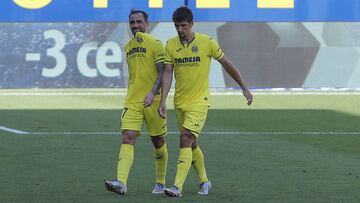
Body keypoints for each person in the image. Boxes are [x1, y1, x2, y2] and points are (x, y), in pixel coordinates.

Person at [158, 6, 253, 197]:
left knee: (185, 138)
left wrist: (244, 87)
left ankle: (177, 186)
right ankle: (205, 181)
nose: (180, 30)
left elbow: (227, 64)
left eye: (183, 26)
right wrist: (163, 101)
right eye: (176, 26)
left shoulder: (207, 42)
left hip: (200, 102)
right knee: (191, 144)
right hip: (180, 103)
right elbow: (168, 73)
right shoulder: (170, 45)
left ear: (192, 24)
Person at [105, 9, 168, 195]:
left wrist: (152, 93)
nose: (135, 25)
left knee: (158, 141)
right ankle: (121, 182)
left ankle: (160, 182)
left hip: (153, 101)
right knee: (128, 137)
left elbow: (162, 72)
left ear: (146, 24)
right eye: (132, 22)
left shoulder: (156, 43)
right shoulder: (127, 47)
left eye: (139, 22)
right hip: (132, 101)